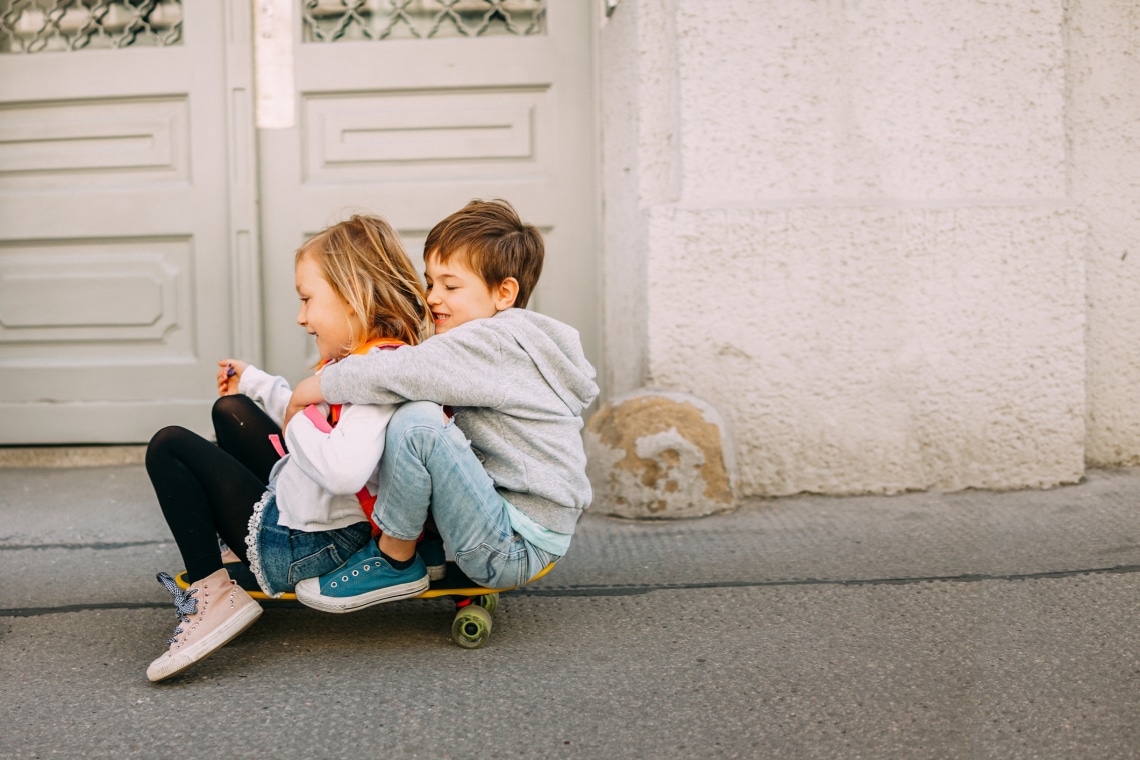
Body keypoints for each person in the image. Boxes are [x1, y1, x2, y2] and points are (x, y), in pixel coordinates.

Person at [144, 214, 430, 682]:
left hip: (312, 544)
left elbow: (342, 470)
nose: (301, 316)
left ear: (353, 294)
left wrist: (299, 413)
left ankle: (213, 597)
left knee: (169, 446)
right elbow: (322, 415)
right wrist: (258, 384)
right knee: (230, 408)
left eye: (307, 299)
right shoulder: (372, 359)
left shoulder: (375, 377)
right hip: (317, 516)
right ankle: (232, 551)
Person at [287, 199, 599, 613]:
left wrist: (317, 385)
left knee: (417, 422)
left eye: (450, 286)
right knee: (423, 418)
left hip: (513, 546)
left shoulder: (493, 343)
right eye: (430, 282)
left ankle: (395, 559)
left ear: (504, 292)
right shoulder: (505, 342)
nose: (433, 297)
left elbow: (400, 371)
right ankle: (427, 550)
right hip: (513, 524)